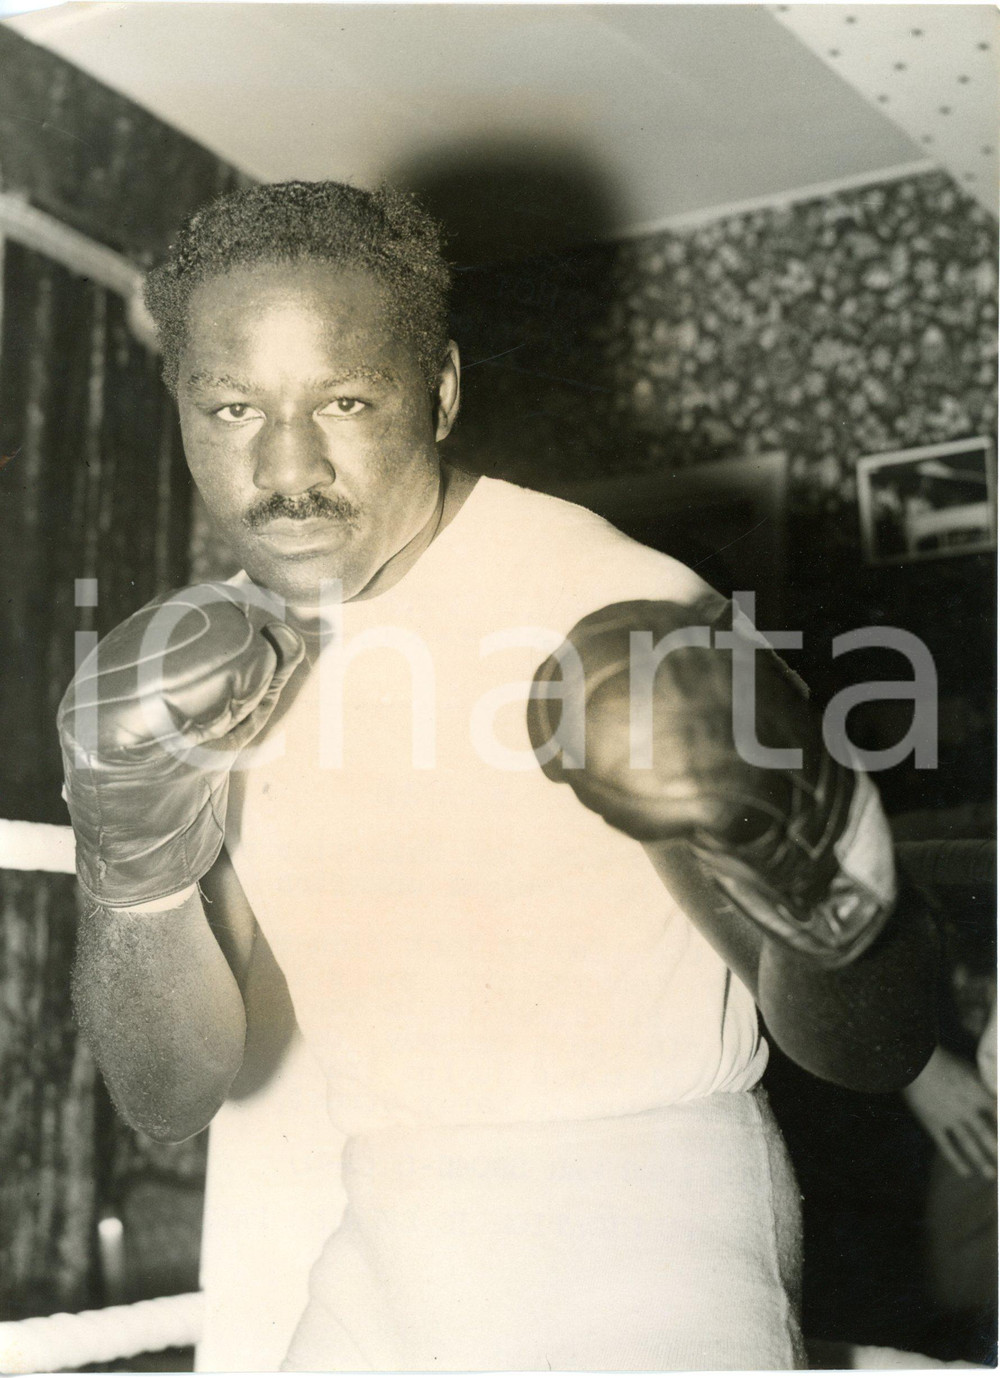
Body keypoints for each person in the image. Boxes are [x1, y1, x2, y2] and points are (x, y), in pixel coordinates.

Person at [59, 180, 937, 1371]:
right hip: (379, 1223)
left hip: (648, 1220)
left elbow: (869, 1049)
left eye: (346, 400)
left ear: (442, 390)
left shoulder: (617, 611)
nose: (286, 464)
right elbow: (169, 1093)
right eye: (230, 408)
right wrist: (129, 868)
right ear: (180, 405)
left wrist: (824, 881)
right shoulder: (221, 664)